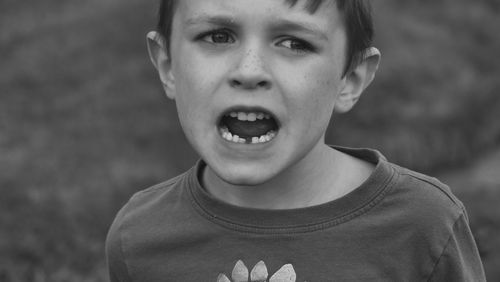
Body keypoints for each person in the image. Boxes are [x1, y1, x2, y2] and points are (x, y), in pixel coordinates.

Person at [106, 0, 486, 281]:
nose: (249, 71)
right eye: (218, 36)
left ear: (349, 79)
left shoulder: (423, 226)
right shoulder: (138, 238)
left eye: (293, 43)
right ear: (168, 65)